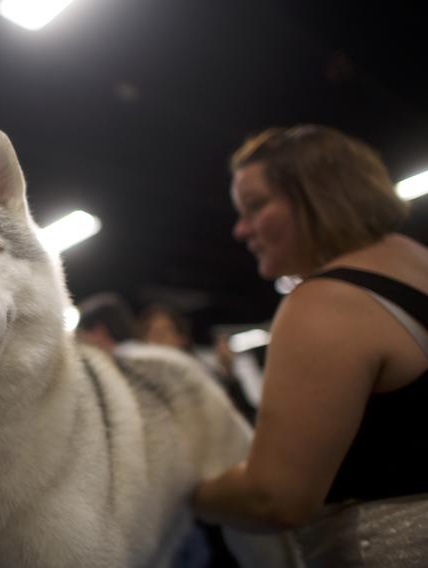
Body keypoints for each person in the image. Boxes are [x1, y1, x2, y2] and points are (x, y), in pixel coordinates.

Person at [192, 125, 428, 566]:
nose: (241, 230)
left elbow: (274, 497)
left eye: (256, 206)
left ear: (320, 194)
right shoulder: (414, 260)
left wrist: (189, 490)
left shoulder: (324, 301)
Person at [137, 303, 258, 424]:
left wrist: (228, 371)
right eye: (151, 331)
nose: (157, 337)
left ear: (181, 338)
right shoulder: (138, 385)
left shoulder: (202, 376)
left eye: (165, 330)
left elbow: (241, 416)